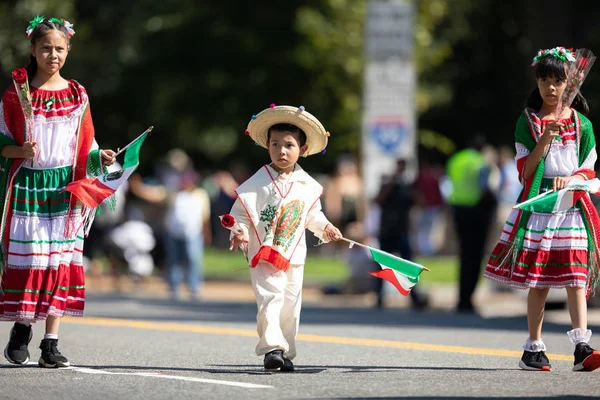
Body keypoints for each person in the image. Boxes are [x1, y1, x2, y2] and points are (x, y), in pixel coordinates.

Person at [0, 16, 116, 368]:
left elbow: (87, 144)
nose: (54, 55)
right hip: (29, 188)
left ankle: (51, 343)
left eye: (60, 49)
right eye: (46, 48)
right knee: (33, 260)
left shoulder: (78, 94)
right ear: (33, 50)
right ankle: (23, 325)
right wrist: (21, 152)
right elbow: (2, 143)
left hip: (66, 190)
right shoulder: (16, 95)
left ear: (69, 50)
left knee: (60, 264)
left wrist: (102, 156)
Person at [484, 47, 600, 372]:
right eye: (544, 80)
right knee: (541, 280)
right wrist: (544, 141)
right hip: (540, 207)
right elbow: (525, 168)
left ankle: (581, 345)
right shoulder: (528, 123)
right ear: (537, 81)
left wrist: (573, 178)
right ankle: (533, 349)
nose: (550, 87)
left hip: (572, 207)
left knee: (577, 277)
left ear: (568, 83)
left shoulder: (583, 125)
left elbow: (589, 167)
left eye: (557, 80)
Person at [229, 105, 342, 372]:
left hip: (293, 254)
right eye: (275, 144)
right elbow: (240, 215)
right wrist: (239, 230)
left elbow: (312, 215)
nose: (281, 151)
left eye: (289, 145)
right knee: (270, 298)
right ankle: (272, 350)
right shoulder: (257, 183)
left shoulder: (307, 185)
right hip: (264, 253)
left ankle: (286, 350)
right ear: (267, 146)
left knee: (290, 305)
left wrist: (326, 228)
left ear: (302, 149)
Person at [129, 166, 211, 300]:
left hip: (193, 233)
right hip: (173, 232)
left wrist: (206, 233)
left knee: (193, 260)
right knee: (173, 261)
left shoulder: (200, 195)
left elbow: (205, 216)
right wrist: (138, 188)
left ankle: (194, 287)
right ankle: (174, 288)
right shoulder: (173, 193)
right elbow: (154, 194)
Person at [445, 135, 497, 313]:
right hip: (476, 212)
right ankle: (467, 299)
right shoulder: (480, 162)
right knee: (474, 258)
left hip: (458, 210)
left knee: (464, 256)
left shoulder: (456, 159)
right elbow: (485, 189)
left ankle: (462, 298)